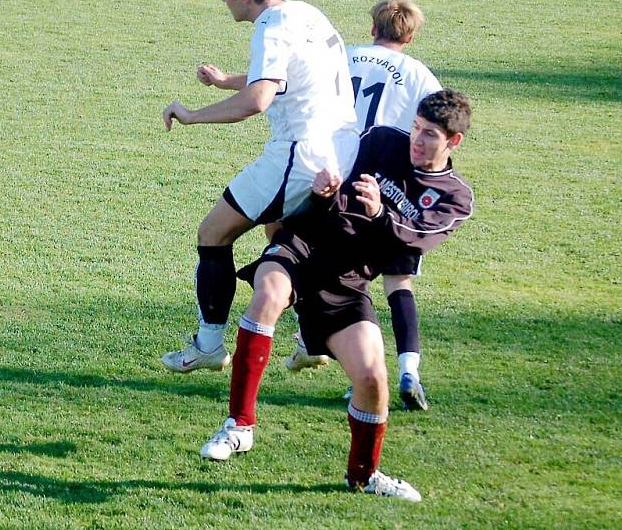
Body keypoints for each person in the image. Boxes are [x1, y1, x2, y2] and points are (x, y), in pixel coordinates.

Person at [199, 90, 473, 502]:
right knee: (268, 295)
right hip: (303, 246)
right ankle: (239, 426)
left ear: (454, 142)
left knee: (372, 378)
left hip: (348, 284)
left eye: (430, 135)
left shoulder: (455, 197)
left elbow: (416, 240)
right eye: (416, 128)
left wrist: (382, 214)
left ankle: (364, 477)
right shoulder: (382, 140)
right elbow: (334, 168)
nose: (417, 140)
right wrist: (325, 188)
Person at [160, 0, 359, 373]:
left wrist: (193, 115)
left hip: (299, 154)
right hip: (339, 150)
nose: (224, 0)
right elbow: (291, 74)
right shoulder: (308, 14)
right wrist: (224, 80)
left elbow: (259, 98)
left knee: (213, 232)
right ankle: (312, 336)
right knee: (282, 236)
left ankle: (210, 343)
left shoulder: (269, 27)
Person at [285, 0, 442, 412]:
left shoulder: (346, 56)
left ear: (373, 27)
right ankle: (409, 370)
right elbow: (434, 136)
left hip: (333, 177)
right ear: (410, 36)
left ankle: (314, 343)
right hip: (388, 187)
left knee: (322, 270)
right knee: (397, 283)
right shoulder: (422, 76)